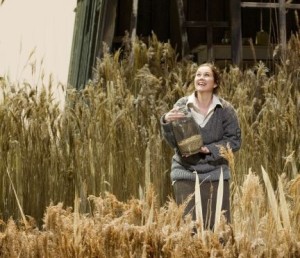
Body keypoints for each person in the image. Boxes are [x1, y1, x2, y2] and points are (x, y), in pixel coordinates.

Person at [160, 63, 241, 230]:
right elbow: (173, 141)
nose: (201, 78)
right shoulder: (182, 105)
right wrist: (167, 122)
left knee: (220, 229)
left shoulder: (225, 110)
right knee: (190, 229)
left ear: (215, 83)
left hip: (216, 174)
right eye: (198, 75)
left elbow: (234, 141)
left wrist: (210, 149)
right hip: (186, 172)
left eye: (206, 75)